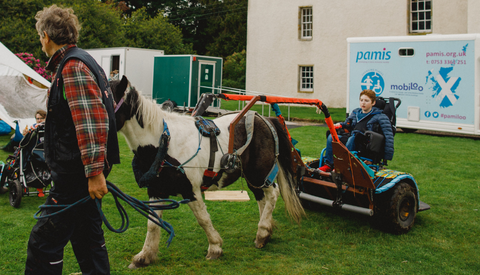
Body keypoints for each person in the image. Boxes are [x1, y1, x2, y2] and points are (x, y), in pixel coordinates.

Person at [25, 5, 120, 275]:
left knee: (43, 244)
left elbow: (92, 121)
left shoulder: (73, 66)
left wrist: (94, 173)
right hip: (80, 175)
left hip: (74, 177)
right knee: (88, 240)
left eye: (39, 37)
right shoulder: (82, 60)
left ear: (46, 36)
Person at [318, 89, 394, 172]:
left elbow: (388, 136)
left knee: (352, 138)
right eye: (361, 100)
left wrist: (386, 156)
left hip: (366, 144)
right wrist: (339, 124)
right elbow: (347, 124)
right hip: (353, 138)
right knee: (331, 137)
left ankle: (344, 165)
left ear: (373, 103)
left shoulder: (381, 116)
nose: (363, 103)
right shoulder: (356, 112)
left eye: (366, 101)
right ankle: (329, 164)